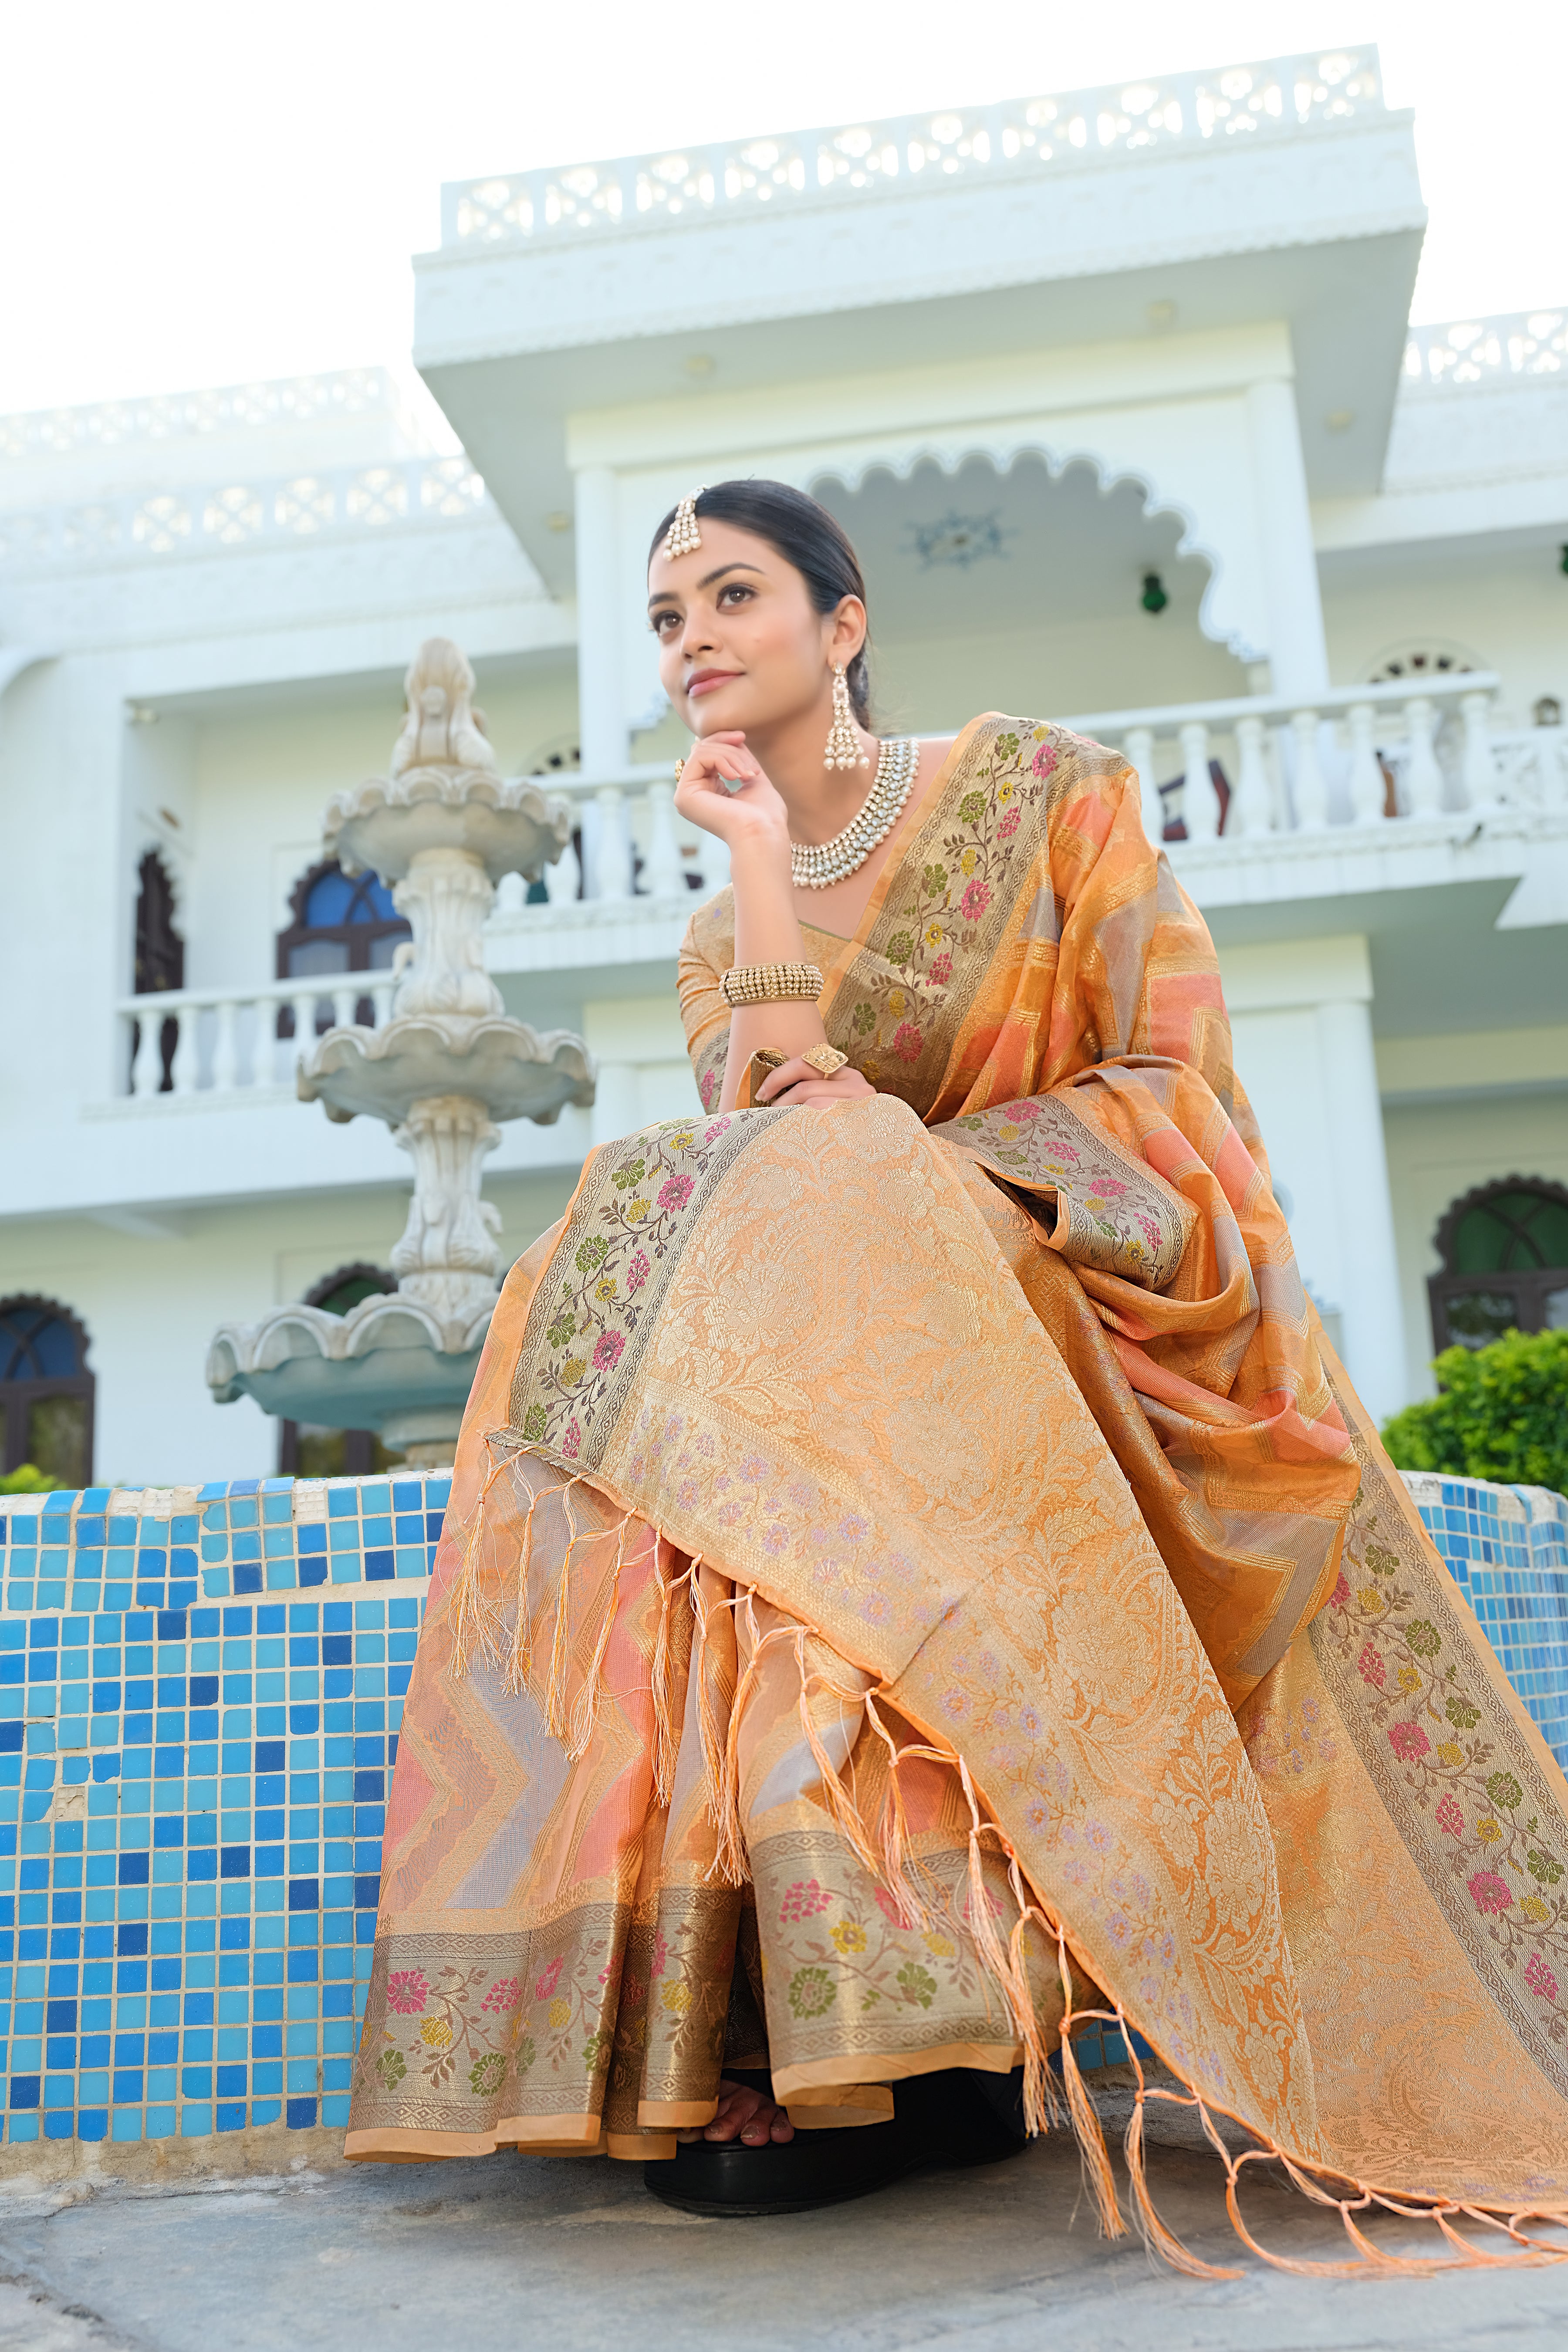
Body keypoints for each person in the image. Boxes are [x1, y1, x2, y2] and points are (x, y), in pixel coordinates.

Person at [345, 482, 1568, 2265]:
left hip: (1092, 1285)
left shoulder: (1043, 793)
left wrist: (944, 1177)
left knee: (807, 1247)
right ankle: (819, 2007)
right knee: (669, 1247)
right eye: (665, 614)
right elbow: (771, 1123)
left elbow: (1179, 1086)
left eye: (732, 594)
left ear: (843, 623)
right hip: (855, 1335)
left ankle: (933, 2019)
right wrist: (758, 855)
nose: (690, 638)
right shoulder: (716, 938)